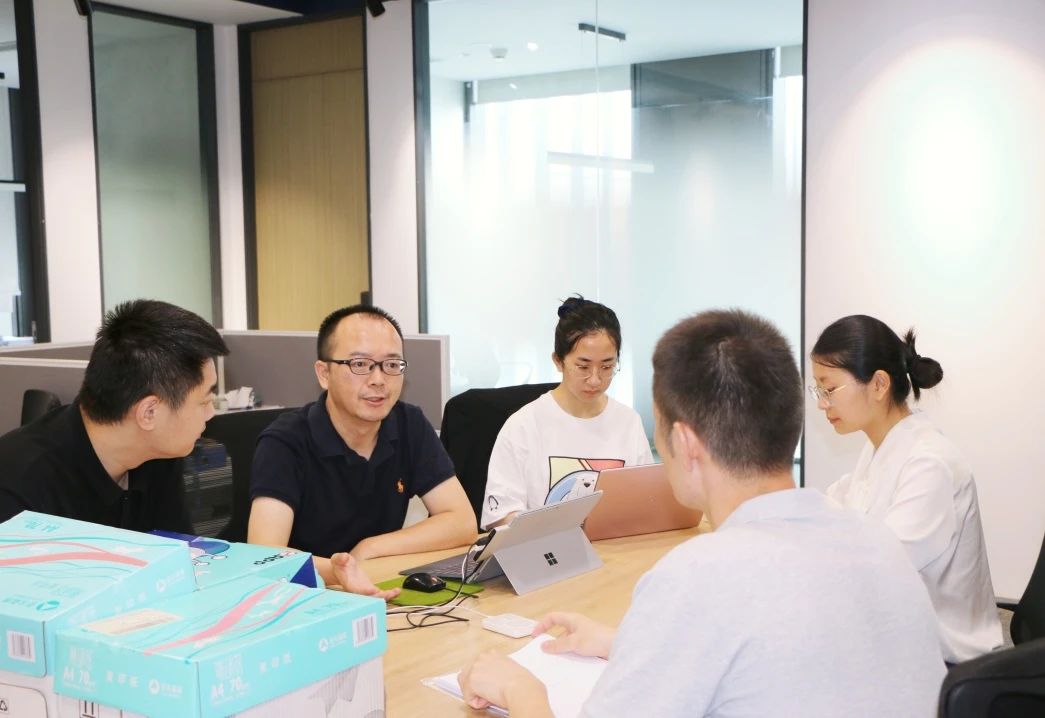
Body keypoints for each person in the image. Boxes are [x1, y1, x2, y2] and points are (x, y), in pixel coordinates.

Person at [458, 309, 946, 717]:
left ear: (685, 443)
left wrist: (522, 691)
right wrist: (627, 642)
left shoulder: (695, 578)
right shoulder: (877, 544)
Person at [247, 304, 478, 598]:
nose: (378, 379)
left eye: (391, 365)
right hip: (303, 596)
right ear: (324, 373)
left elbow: (462, 522)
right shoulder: (285, 442)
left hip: (379, 585)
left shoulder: (409, 424)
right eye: (360, 364)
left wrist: (372, 547)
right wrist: (341, 570)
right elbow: (265, 553)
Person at [810, 314, 1002, 663]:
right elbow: (832, 506)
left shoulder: (929, 463)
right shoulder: (881, 448)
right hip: (900, 637)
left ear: (879, 384)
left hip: (946, 663)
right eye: (818, 390)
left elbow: (881, 568)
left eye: (829, 389)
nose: (822, 403)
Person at [0, 299, 228, 533]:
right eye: (204, 401)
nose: (210, 413)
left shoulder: (159, 456)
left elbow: (179, 549)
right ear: (149, 412)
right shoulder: (18, 488)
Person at [480, 296, 652, 529]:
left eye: (607, 366)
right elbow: (501, 516)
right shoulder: (523, 425)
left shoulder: (628, 422)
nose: (595, 379)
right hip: (544, 548)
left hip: (614, 547)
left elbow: (645, 503)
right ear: (558, 361)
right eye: (583, 366)